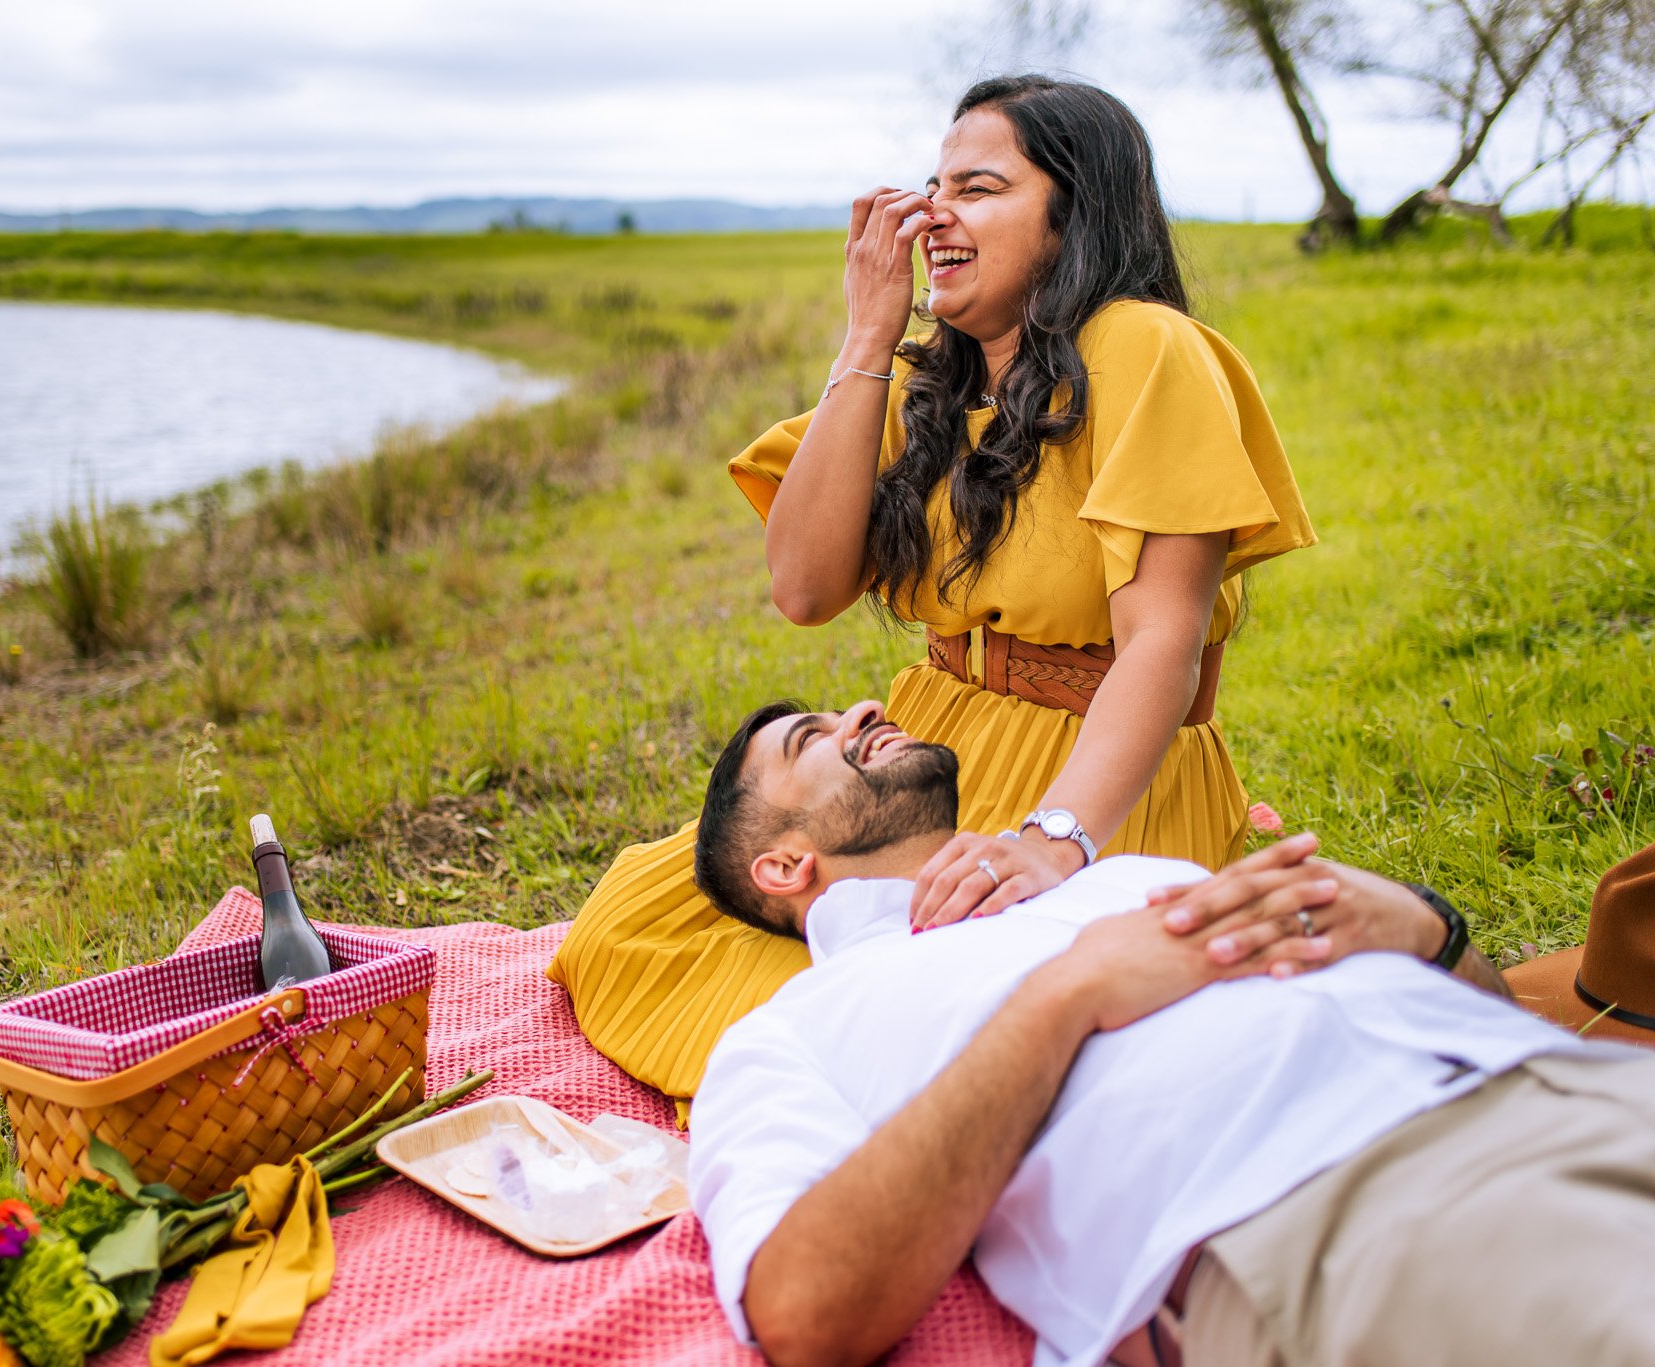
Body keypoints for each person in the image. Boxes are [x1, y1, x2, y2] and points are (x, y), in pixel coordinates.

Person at [549, 74, 1317, 1108]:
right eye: (931, 183)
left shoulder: (1142, 347)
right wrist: (867, 338)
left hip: (1091, 768)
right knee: (647, 909)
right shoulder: (940, 381)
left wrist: (1053, 842)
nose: (933, 213)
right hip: (935, 746)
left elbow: (1161, 645)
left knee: (935, 1017)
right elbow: (804, 586)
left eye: (979, 186)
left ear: (1070, 214)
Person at [686, 699, 1655, 1367]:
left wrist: (1426, 929)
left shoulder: (1105, 874)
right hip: (1341, 1209)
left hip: (1553, 1082)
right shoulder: (788, 1033)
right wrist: (1065, 996)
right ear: (781, 864)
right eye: (812, 735)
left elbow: (1487, 1011)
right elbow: (803, 1307)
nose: (862, 710)